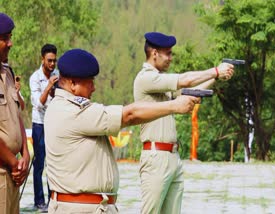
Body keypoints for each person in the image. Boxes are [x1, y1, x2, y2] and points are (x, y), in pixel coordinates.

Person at [44, 48, 199, 214]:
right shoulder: (72, 111)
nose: (94, 88)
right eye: (90, 82)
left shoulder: (62, 107)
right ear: (73, 83)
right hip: (80, 208)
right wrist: (174, 106)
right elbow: (129, 115)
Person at [133, 32, 235, 214]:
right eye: (168, 53)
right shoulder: (146, 78)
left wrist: (215, 77)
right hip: (156, 157)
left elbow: (189, 92)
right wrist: (216, 70)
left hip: (172, 156)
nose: (171, 58)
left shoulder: (159, 81)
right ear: (154, 53)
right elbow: (185, 80)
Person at [0, 12, 30, 214]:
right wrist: (14, 163)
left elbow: (17, 114)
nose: (10, 43)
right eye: (4, 38)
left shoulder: (7, 72)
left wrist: (25, 155)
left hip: (13, 172)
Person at [29, 43, 59, 212]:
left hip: (54, 123)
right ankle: (39, 201)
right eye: (49, 61)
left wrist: (56, 89)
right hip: (39, 123)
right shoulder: (35, 78)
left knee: (53, 163)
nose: (52, 64)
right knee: (39, 164)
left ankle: (52, 200)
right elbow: (38, 104)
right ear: (42, 59)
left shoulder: (58, 75)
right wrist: (48, 86)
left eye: (54, 61)